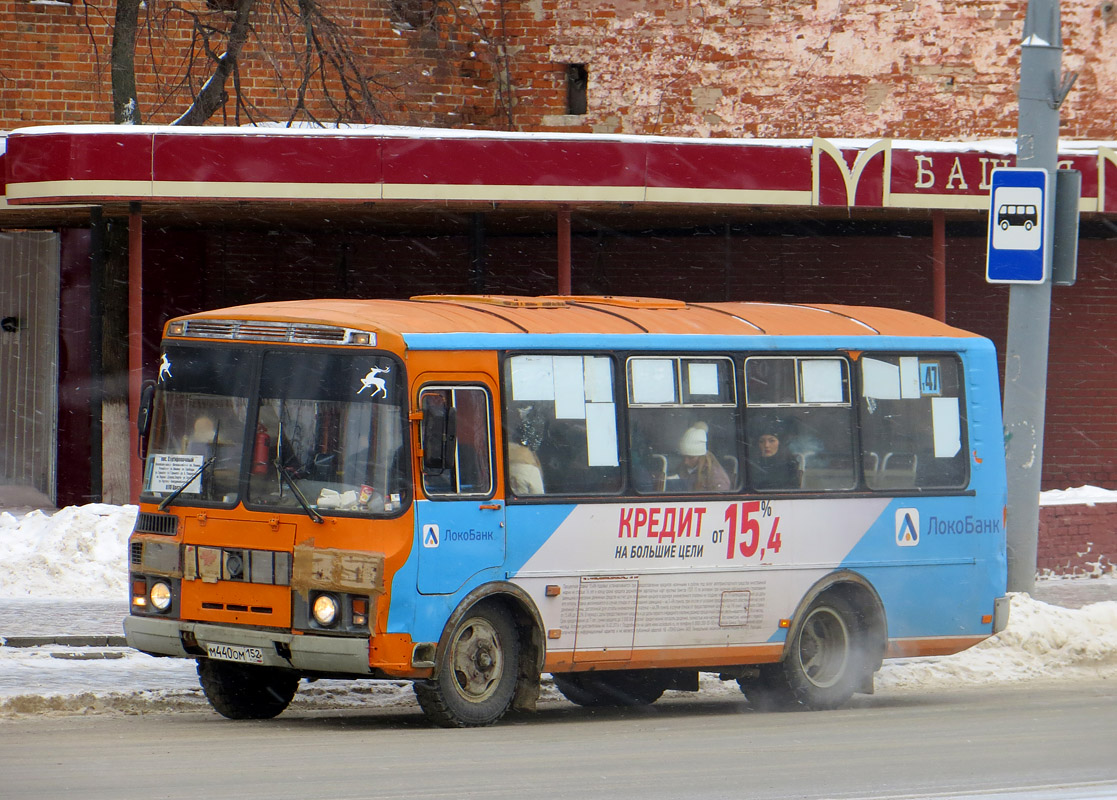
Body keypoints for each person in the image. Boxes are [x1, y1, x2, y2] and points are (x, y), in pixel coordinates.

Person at [677, 422, 731, 492]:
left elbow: (719, 500)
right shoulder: (682, 468)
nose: (685, 462)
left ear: (701, 456)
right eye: (684, 457)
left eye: (691, 457)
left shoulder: (717, 478)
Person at [749, 423, 801, 490]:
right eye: (761, 441)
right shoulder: (751, 464)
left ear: (779, 443)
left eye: (771, 441)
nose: (766, 445)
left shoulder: (789, 464)